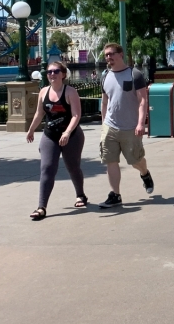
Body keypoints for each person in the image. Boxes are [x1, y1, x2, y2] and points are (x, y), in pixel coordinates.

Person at [26, 61, 86, 220]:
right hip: (50, 135)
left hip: (71, 136)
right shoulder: (43, 92)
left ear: (63, 74)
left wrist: (67, 132)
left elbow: (76, 115)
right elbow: (39, 114)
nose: (52, 74)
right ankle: (41, 207)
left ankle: (80, 195)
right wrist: (31, 130)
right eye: (49, 72)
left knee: (73, 167)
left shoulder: (70, 92)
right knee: (47, 168)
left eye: (56, 71)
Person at [98, 43, 153, 208]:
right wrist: (103, 123)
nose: (109, 57)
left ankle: (145, 173)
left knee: (135, 161)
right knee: (110, 160)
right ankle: (115, 194)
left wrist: (141, 123)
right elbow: (105, 100)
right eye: (106, 55)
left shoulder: (134, 74)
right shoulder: (105, 75)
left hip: (130, 127)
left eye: (112, 54)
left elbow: (142, 100)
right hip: (110, 126)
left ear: (121, 54)